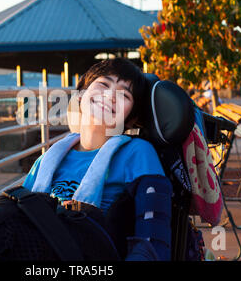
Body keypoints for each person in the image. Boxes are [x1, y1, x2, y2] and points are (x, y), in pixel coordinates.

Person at [23, 58, 173, 261]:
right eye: (103, 84)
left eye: (124, 95)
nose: (111, 96)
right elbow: (17, 213)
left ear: (131, 118)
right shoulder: (49, 159)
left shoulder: (138, 154)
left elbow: (153, 245)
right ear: (81, 94)